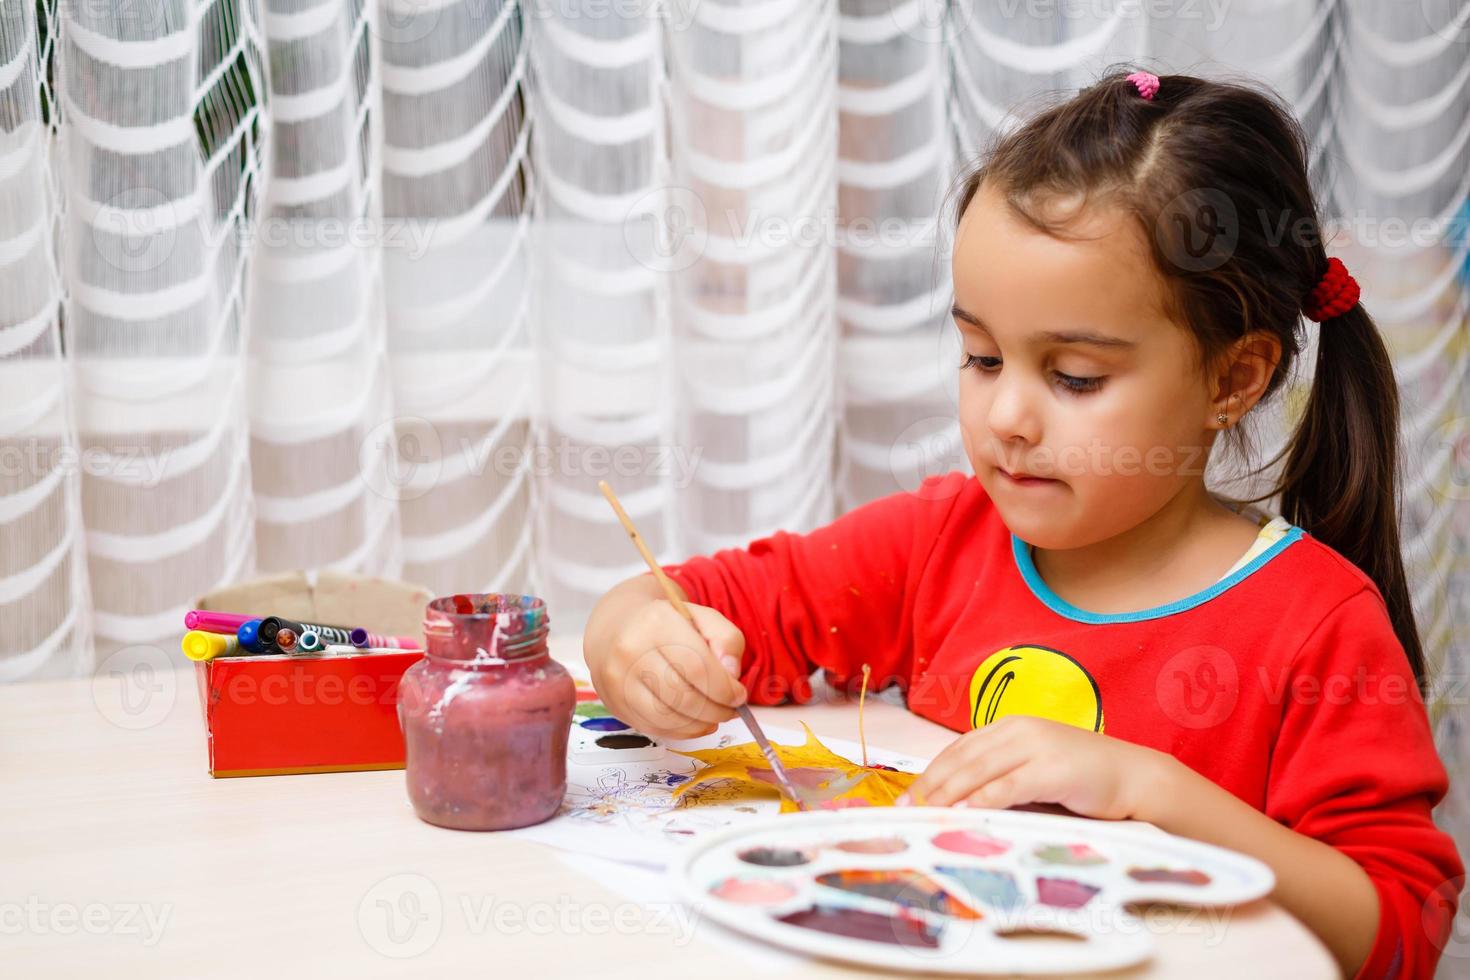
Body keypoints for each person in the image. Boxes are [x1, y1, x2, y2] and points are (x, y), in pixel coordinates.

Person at [585, 69, 1463, 978]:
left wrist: (1148, 791)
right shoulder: (940, 542)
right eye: (980, 356)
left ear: (1232, 379)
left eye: (1074, 376)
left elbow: (1400, 930)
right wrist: (640, 640)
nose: (1007, 415)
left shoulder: (1315, 623)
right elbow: (688, 600)